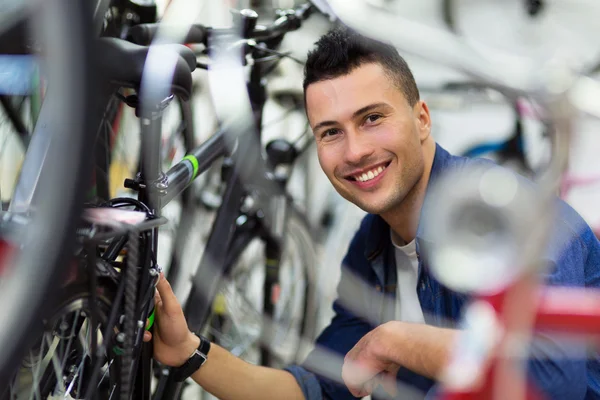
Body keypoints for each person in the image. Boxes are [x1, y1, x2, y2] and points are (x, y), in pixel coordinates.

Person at [143, 27, 600, 399]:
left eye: (372, 118)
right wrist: (188, 350)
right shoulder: (373, 244)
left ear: (422, 118)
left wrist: (395, 340)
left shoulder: (505, 217)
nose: (355, 151)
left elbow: (547, 381)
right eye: (330, 132)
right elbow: (314, 390)